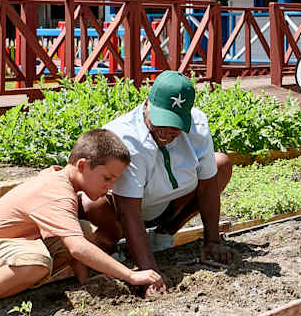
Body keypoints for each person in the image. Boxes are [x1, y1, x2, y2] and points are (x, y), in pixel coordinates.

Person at [0, 129, 164, 315]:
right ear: (82, 165)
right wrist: (131, 275)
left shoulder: (62, 181)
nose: (110, 187)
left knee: (84, 229)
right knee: (38, 261)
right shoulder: (57, 192)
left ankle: (18, 282)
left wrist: (85, 281)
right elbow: (77, 248)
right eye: (107, 178)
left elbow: (74, 238)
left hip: (9, 250)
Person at [82, 70, 233, 294]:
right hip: (124, 212)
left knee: (220, 164)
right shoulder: (125, 138)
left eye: (175, 125)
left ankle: (163, 234)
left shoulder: (198, 126)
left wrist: (212, 241)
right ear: (146, 103)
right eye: (161, 122)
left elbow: (209, 186)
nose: (167, 132)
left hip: (170, 204)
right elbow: (129, 211)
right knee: (93, 204)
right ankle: (113, 247)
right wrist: (149, 272)